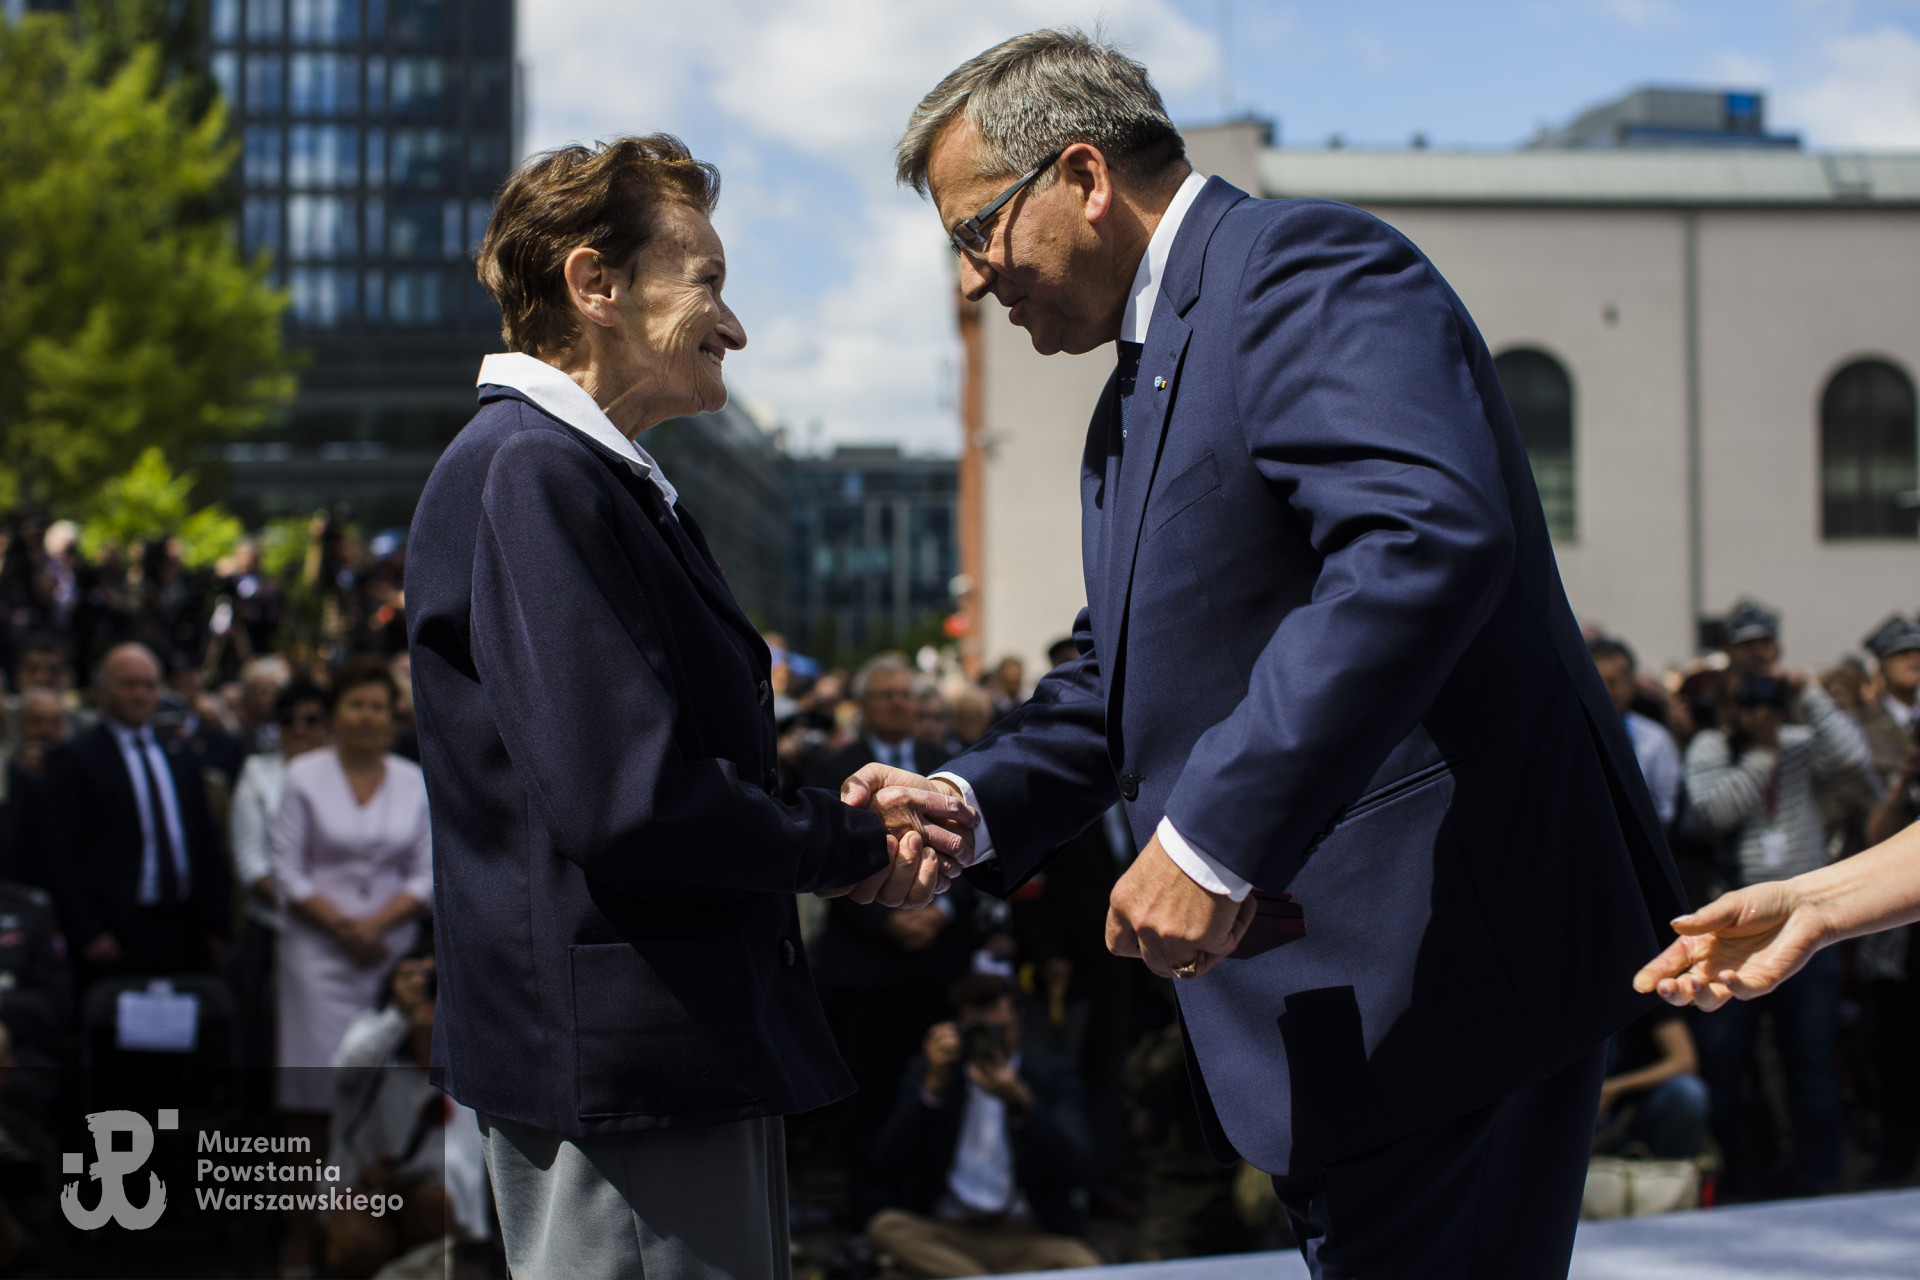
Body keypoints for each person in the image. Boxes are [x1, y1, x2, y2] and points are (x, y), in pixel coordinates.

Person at [851, 30, 1685, 1277]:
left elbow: (1424, 539)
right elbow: (1120, 678)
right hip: (1353, 1013)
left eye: (976, 233)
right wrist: (971, 800)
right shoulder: (1133, 392)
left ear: (1082, 177)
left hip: (1448, 980)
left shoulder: (1301, 269)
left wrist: (1210, 834)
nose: (973, 280)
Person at [404, 134, 960, 1280]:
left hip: (663, 1060)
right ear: (594, 285)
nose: (734, 324)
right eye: (705, 280)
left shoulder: (573, 475)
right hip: (630, 1080)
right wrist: (851, 839)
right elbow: (632, 800)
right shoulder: (536, 472)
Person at [1681, 662, 1870, 1192]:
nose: (1762, 710)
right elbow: (1711, 812)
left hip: (1810, 924)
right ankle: (1730, 1183)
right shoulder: (1714, 748)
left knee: (1811, 1064)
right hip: (1733, 929)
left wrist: (1809, 693)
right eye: (1749, 700)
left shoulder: (1801, 742)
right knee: (1726, 1066)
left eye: (1770, 699)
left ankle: (1820, 1181)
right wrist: (1761, 754)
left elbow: (1853, 757)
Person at [273, 658, 431, 1112]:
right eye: (355, 704)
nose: (366, 715)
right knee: (314, 1089)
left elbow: (425, 872)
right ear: (334, 714)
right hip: (316, 954)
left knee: (384, 1091)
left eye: (378, 707)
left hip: (389, 952)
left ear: (394, 718)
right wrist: (346, 929)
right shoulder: (302, 775)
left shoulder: (413, 780)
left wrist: (377, 926)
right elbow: (288, 870)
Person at [868, 973, 1099, 1277]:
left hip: (1026, 1235)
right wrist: (931, 1089)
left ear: (1018, 1020)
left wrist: (1022, 1101)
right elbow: (885, 1163)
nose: (989, 1041)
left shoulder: (1050, 1074)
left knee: (1083, 1265)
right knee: (886, 1227)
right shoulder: (932, 1071)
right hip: (949, 1232)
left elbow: (1079, 1165)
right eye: (979, 1030)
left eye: (1000, 1029)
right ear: (957, 1027)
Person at [39, 643, 229, 980]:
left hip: (182, 928)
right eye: (129, 684)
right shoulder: (75, 759)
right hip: (114, 930)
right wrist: (88, 930)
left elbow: (204, 840)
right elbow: (59, 856)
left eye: (149, 685)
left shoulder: (180, 754)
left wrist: (214, 923)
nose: (140, 694)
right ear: (102, 689)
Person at [227, 678, 330, 1074]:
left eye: (311, 718)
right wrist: (319, 912)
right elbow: (252, 866)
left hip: (351, 928)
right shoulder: (258, 774)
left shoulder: (352, 774)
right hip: (279, 931)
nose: (300, 728)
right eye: (288, 720)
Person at [1592, 1007, 1708, 1161]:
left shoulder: (1643, 993)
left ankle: (1670, 1177)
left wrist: (1616, 1087)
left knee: (1688, 1092)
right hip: (1580, 1109)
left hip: (1630, 1111)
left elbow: (1685, 1061)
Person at [1591, 637, 1683, 828]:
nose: (1605, 691)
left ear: (1632, 686)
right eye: (1597, 682)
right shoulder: (1574, 736)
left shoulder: (1655, 738)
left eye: (1613, 682)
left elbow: (1667, 807)